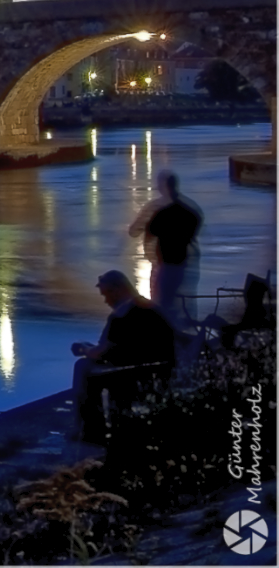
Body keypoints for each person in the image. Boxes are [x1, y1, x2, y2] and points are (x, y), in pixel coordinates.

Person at [70, 270, 175, 443]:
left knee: (83, 367)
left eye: (106, 295)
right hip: (161, 369)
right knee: (94, 364)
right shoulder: (150, 307)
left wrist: (83, 349)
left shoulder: (121, 314)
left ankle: (85, 430)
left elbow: (101, 351)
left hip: (134, 373)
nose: (106, 301)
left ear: (118, 290)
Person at [128, 170, 203, 328]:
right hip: (189, 264)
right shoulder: (191, 208)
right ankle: (189, 338)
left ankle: (165, 339)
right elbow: (196, 229)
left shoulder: (156, 209)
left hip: (164, 264)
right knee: (186, 305)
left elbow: (134, 231)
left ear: (162, 186)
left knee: (161, 303)